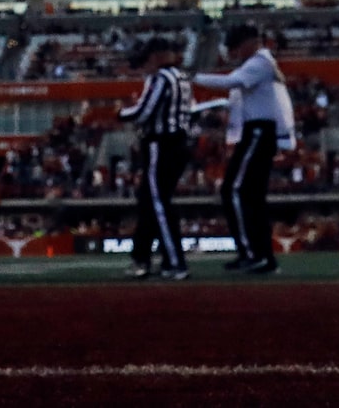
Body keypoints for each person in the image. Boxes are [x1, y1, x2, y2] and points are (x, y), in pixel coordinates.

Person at [195, 23, 288, 273]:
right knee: (252, 198)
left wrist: (195, 77)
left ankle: (251, 253)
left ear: (249, 42)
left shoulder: (259, 62)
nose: (235, 52)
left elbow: (231, 82)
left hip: (257, 131)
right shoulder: (261, 62)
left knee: (234, 191)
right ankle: (263, 256)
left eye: (237, 46)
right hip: (259, 131)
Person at [121, 37, 194, 278]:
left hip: (161, 144)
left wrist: (121, 113)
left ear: (156, 56)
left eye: (148, 60)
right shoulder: (182, 77)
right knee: (150, 202)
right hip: (177, 143)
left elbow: (144, 112)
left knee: (158, 203)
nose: (146, 67)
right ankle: (142, 258)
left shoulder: (162, 78)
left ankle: (174, 262)